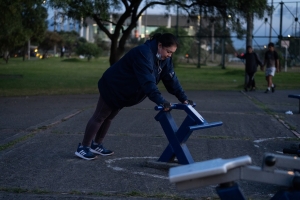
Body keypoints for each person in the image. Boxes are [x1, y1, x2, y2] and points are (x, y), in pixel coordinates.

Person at [75, 33, 193, 160]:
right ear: (160, 45)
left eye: (172, 53)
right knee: (100, 116)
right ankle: (83, 147)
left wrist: (183, 98)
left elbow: (171, 80)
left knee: (109, 117)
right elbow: (147, 82)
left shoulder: (164, 60)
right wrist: (160, 101)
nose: (170, 55)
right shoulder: (143, 53)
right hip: (113, 85)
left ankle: (97, 144)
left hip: (124, 91)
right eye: (168, 51)